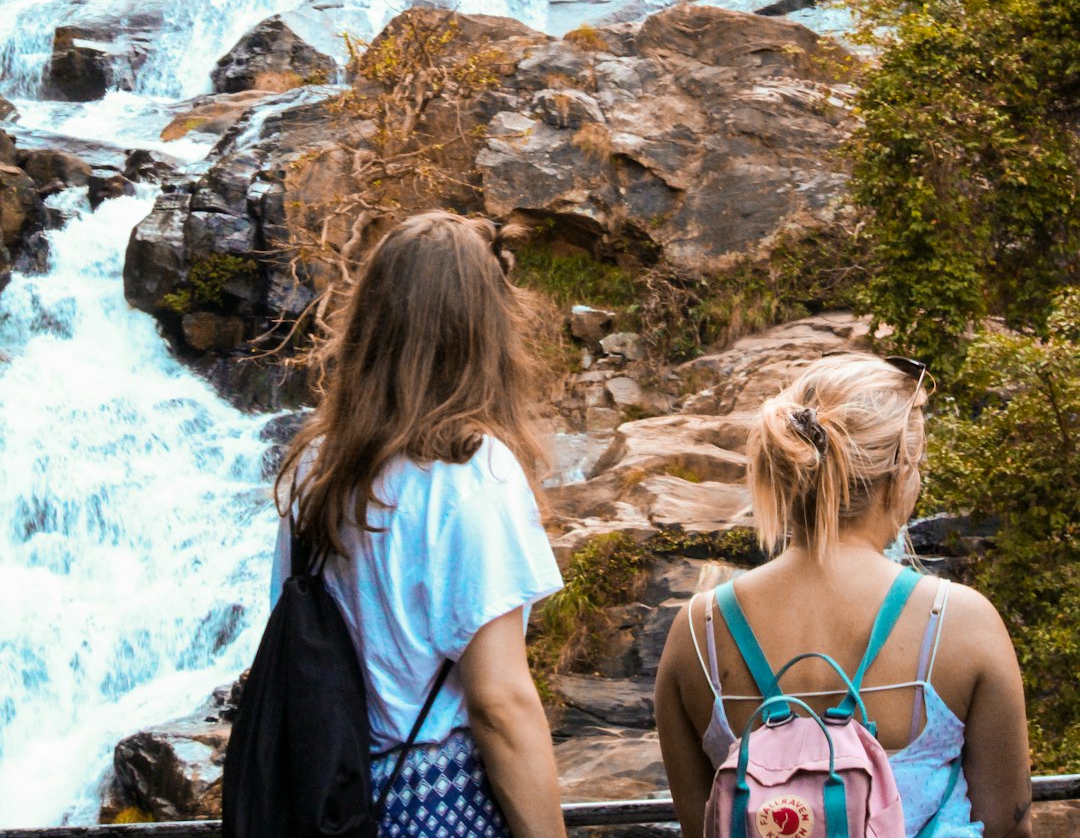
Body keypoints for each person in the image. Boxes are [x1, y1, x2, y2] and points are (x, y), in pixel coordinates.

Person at [271, 210, 567, 838]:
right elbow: (500, 703)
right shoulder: (470, 472)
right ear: (481, 328)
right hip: (439, 797)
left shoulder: (314, 469)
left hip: (330, 792)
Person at [656, 353, 1032, 838]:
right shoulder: (959, 621)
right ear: (900, 474)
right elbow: (1010, 825)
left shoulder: (696, 631)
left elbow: (700, 828)